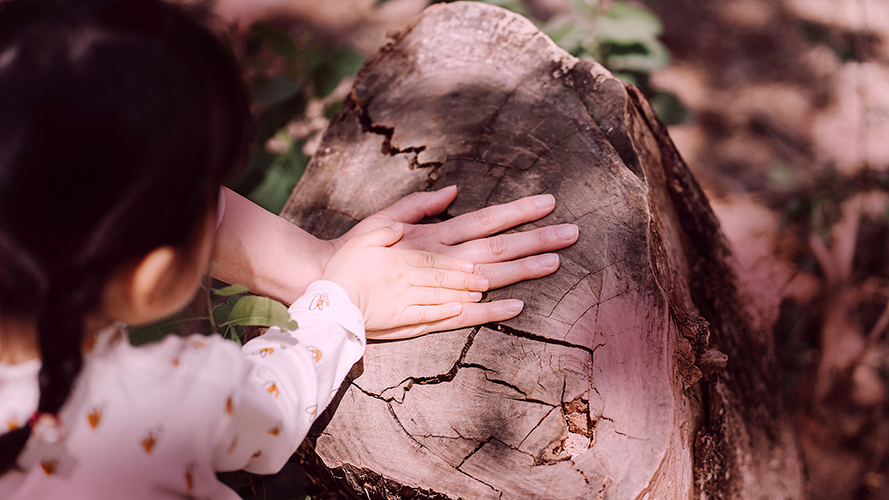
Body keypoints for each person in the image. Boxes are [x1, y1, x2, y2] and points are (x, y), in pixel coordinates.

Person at [0, 0, 577, 498]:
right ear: (150, 278)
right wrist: (340, 299)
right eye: (206, 196)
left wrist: (320, 260)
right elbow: (269, 413)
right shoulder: (168, 396)